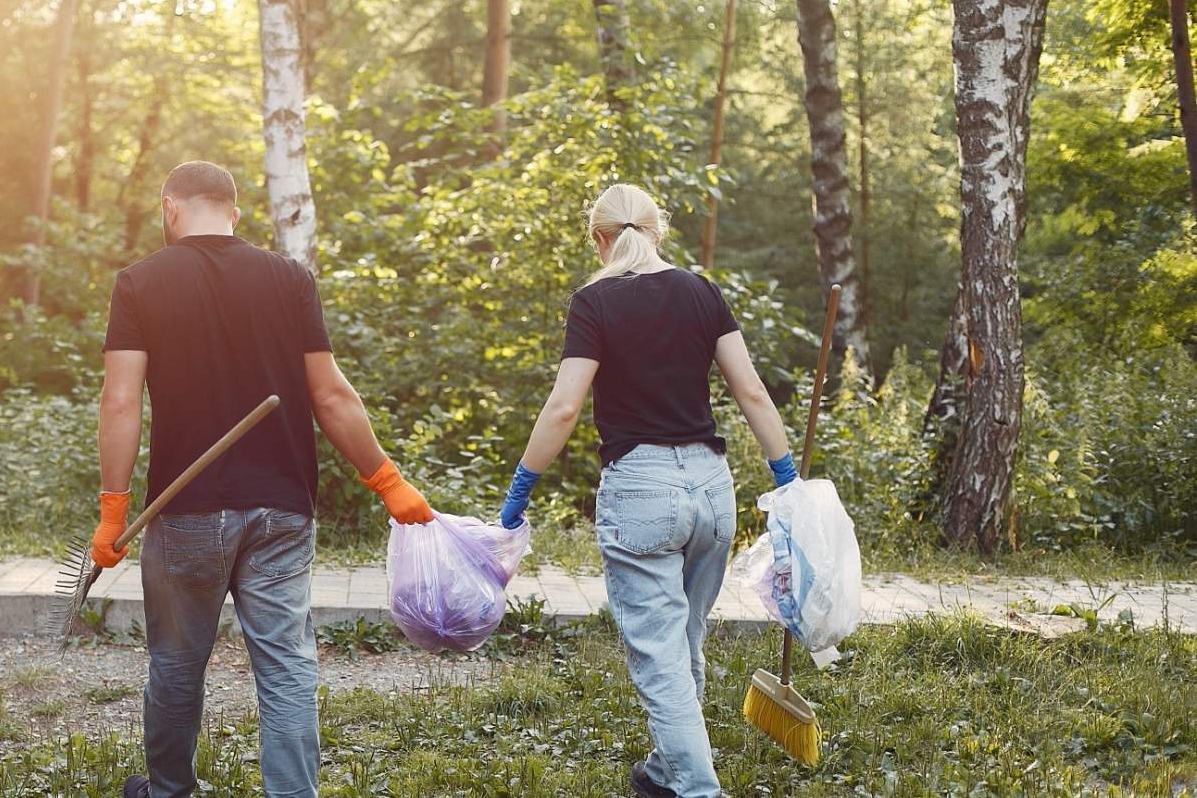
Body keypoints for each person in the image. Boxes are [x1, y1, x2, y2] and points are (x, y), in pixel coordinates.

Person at [95, 161, 433, 798]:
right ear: (235, 212)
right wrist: (386, 481)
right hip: (281, 512)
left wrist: (114, 508)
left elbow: (120, 402)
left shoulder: (139, 282)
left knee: (175, 663)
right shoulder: (289, 279)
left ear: (170, 208)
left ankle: (169, 791)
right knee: (285, 668)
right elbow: (331, 396)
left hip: (187, 512)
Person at [496, 184, 797, 798]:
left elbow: (563, 409)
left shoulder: (594, 301)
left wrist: (521, 488)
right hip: (713, 491)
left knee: (660, 652)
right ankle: (665, 768)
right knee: (683, 635)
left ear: (600, 240)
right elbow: (753, 393)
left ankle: (696, 787)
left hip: (642, 493)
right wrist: (786, 478)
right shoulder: (702, 291)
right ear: (659, 232)